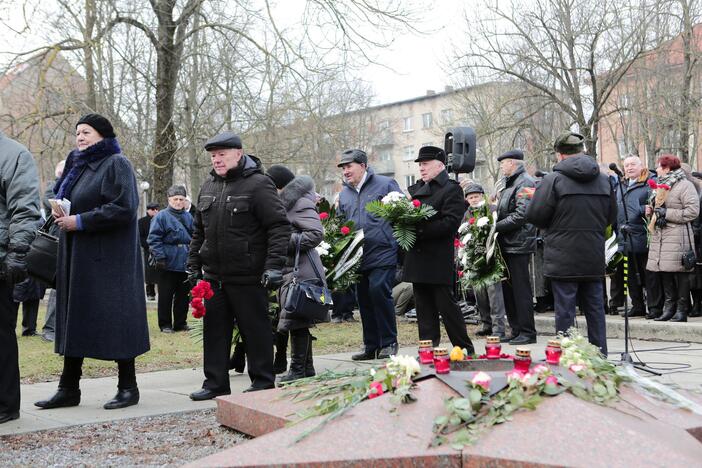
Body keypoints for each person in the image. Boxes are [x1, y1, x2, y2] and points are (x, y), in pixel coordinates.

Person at [34, 114, 150, 411]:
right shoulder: (78, 166)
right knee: (75, 320)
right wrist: (62, 213)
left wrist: (81, 221)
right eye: (77, 133)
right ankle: (68, 388)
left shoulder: (116, 163)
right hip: (78, 257)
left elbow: (125, 207)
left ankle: (128, 387)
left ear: (102, 135)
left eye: (86, 132)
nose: (80, 137)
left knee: (117, 319)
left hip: (110, 261)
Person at [187, 131, 290, 399]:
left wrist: (274, 266)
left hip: (249, 274)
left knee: (255, 330)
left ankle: (263, 381)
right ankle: (215, 383)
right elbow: (200, 230)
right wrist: (193, 264)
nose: (217, 160)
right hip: (214, 277)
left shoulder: (259, 184)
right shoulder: (208, 186)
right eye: (213, 156)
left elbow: (278, 227)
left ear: (238, 153)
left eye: (222, 154)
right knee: (214, 333)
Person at [526, 131, 616, 355]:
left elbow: (536, 216)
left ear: (560, 155)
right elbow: (611, 216)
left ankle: (567, 360)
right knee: (595, 310)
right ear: (582, 151)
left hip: (562, 256)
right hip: (592, 256)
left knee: (565, 313)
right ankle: (600, 358)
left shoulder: (553, 180)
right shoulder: (603, 179)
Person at [403, 146, 474, 353]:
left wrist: (419, 229)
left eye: (425, 164)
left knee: (448, 308)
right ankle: (427, 352)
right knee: (424, 311)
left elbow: (450, 224)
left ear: (440, 165)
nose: (421, 169)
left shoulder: (451, 189)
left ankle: (464, 349)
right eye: (420, 165)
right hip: (417, 258)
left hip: (437, 259)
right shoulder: (416, 189)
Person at [337, 148, 400, 360]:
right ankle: (371, 345)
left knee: (378, 291)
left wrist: (393, 241)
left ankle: (389, 342)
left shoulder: (385, 184)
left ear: (363, 166)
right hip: (357, 256)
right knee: (363, 298)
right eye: (343, 168)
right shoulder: (344, 193)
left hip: (382, 251)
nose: (346, 171)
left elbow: (401, 214)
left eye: (349, 166)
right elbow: (341, 223)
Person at [267, 165, 325, 382]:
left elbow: (315, 234)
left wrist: (281, 242)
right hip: (291, 269)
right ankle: (307, 368)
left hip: (302, 270)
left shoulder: (298, 203)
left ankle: (298, 370)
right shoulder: (286, 204)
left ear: (279, 186)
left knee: (297, 319)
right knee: (297, 319)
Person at [0, 130, 41, 425]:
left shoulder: (14, 155)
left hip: (2, 257)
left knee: (0, 334)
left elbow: (25, 209)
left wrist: (16, 252)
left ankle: (5, 404)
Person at [646, 155, 700, 322]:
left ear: (668, 168)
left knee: (680, 274)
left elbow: (692, 211)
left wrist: (667, 214)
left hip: (678, 236)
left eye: (660, 167)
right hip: (661, 235)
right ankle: (669, 308)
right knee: (664, 273)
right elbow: (660, 207)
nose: (657, 170)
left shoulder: (685, 185)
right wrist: (653, 213)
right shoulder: (662, 186)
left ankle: (681, 309)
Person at [495, 149, 537, 345]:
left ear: (512, 163)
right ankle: (516, 329)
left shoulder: (526, 182)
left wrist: (495, 226)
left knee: (521, 291)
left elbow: (522, 215)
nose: (502, 167)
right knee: (509, 291)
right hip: (507, 243)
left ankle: (528, 332)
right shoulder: (508, 184)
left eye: (503, 163)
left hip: (519, 244)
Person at [611, 156, 655, 318]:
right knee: (629, 274)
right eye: (626, 165)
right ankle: (637, 305)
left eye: (633, 165)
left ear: (641, 166)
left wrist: (645, 208)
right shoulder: (621, 185)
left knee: (647, 274)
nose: (629, 168)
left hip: (642, 236)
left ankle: (653, 307)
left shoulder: (648, 183)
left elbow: (655, 204)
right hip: (624, 236)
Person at [147, 185, 193, 333]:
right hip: (167, 261)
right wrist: (160, 257)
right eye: (176, 199)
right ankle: (165, 324)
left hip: (185, 260)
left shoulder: (188, 216)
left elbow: (195, 237)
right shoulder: (161, 216)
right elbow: (154, 238)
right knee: (166, 295)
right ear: (169, 199)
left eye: (181, 199)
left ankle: (181, 323)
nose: (179, 202)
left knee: (183, 295)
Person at [463, 182, 506, 338]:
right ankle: (486, 324)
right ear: (467, 200)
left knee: (494, 295)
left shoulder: (492, 210)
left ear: (482, 196)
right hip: (475, 259)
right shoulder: (467, 214)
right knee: (480, 294)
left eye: (476, 196)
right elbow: (463, 233)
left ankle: (498, 329)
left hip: (491, 258)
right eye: (471, 197)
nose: (474, 199)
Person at [41, 160, 65, 342]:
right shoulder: (52, 188)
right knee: (58, 287)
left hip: (70, 239)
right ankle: (49, 328)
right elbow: (55, 204)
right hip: (57, 241)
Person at [138, 202, 160, 301]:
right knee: (149, 273)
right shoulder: (142, 222)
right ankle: (150, 293)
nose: (155, 211)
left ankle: (162, 292)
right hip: (148, 250)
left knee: (161, 271)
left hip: (160, 249)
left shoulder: (161, 220)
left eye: (156, 209)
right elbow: (140, 237)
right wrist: (148, 245)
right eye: (153, 209)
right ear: (148, 210)